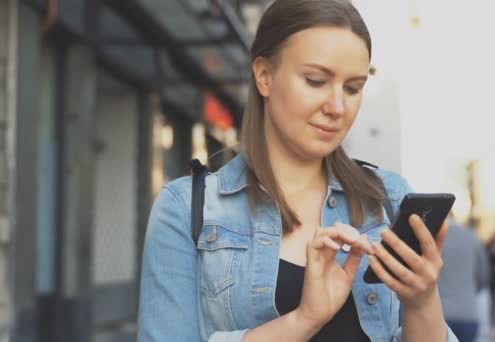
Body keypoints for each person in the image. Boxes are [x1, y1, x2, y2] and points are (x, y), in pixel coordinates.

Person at [137, 1, 458, 341]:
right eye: (316, 80)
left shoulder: (387, 198)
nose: (337, 107)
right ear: (264, 76)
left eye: (353, 88)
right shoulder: (186, 208)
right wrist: (303, 321)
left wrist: (421, 302)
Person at [438, 212, 489, 342]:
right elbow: (483, 275)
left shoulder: (432, 238)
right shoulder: (472, 237)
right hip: (468, 313)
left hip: (439, 315)